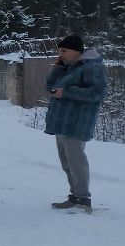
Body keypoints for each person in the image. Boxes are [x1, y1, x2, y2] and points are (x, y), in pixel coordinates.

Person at [43, 34, 108, 213]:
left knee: (76, 162)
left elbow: (98, 93)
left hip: (77, 122)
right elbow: (50, 87)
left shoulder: (92, 66)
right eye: (59, 51)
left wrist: (67, 92)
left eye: (64, 51)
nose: (61, 54)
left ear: (76, 51)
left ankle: (83, 199)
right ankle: (74, 196)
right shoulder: (68, 67)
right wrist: (57, 69)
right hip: (62, 122)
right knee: (67, 163)